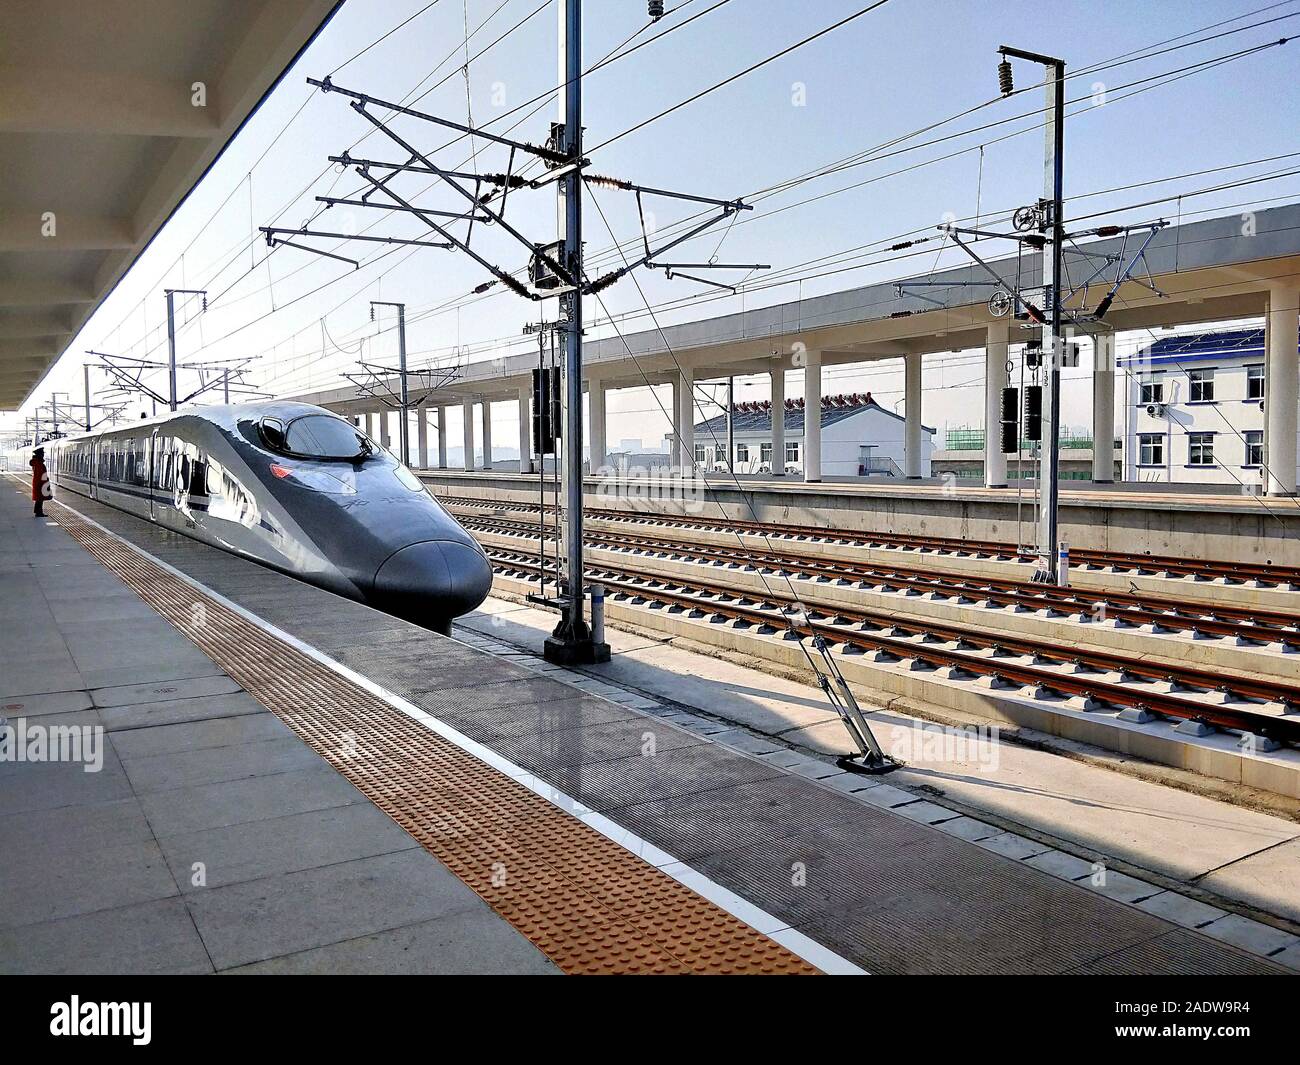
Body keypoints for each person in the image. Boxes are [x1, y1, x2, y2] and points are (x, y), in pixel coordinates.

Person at [30, 447, 49, 518]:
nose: (43, 455)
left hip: (38, 482)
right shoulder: (39, 463)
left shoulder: (37, 462)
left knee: (39, 499)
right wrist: (44, 482)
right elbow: (40, 474)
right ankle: (39, 513)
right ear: (39, 455)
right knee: (40, 498)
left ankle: (38, 512)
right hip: (40, 483)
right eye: (42, 453)